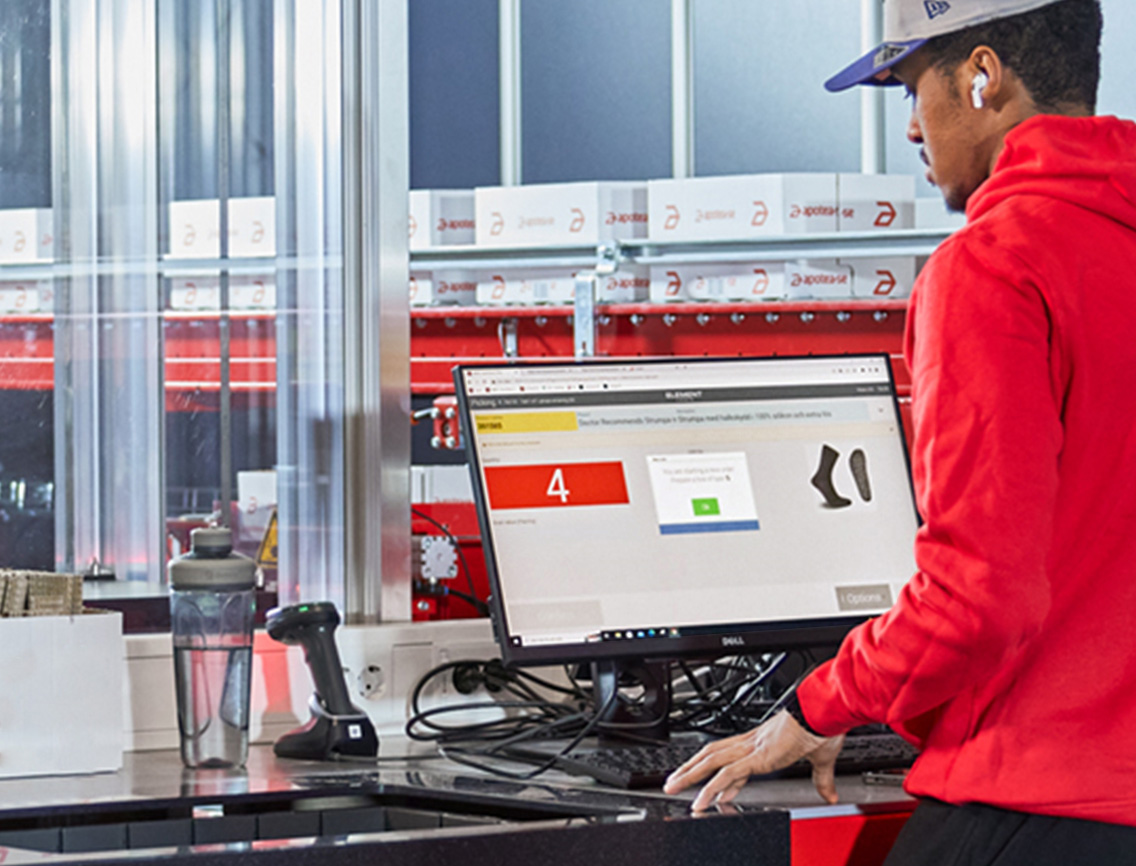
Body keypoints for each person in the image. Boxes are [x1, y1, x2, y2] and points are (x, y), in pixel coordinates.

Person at [663, 0, 1136, 862]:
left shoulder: (994, 265)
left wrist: (820, 705)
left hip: (1038, 804)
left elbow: (978, 597)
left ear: (982, 75)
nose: (912, 126)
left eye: (913, 87)